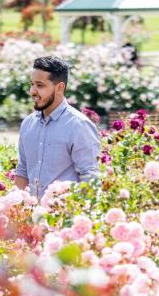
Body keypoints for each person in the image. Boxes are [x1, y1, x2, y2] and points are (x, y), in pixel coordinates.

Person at [15, 56, 101, 199]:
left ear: (60, 87)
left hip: (63, 216)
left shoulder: (79, 126)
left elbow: (90, 179)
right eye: (32, 84)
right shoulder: (28, 124)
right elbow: (23, 171)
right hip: (30, 216)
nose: (32, 91)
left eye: (40, 85)